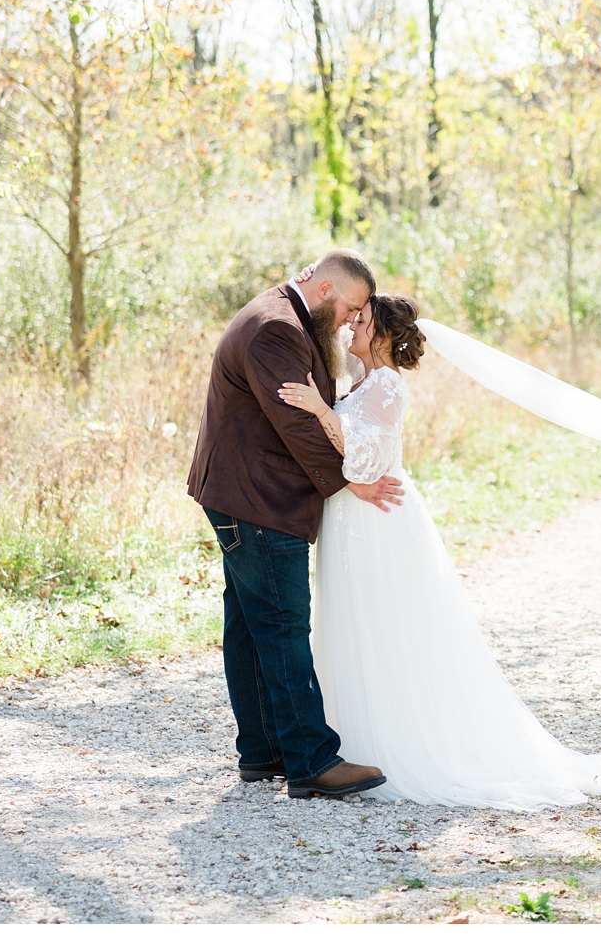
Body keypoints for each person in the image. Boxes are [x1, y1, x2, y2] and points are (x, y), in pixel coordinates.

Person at [279, 294, 601, 810]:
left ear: (383, 337)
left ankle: (395, 742)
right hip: (353, 519)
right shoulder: (357, 382)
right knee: (354, 620)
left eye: (362, 321)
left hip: (378, 521)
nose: (352, 325)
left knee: (385, 622)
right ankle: (348, 741)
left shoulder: (385, 386)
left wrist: (318, 409)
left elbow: (364, 462)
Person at [186, 249, 403, 799]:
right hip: (260, 500)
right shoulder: (275, 329)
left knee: (251, 626)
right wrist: (349, 480)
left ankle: (262, 753)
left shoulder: (285, 317)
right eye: (352, 307)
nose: (354, 319)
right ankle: (311, 761)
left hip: (245, 495)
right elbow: (296, 424)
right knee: (282, 626)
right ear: (327, 288)